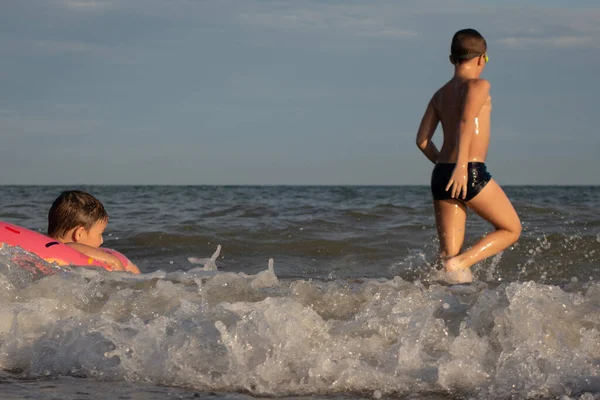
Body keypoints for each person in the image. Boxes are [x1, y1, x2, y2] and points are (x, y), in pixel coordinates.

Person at [415, 28, 521, 283]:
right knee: (511, 229)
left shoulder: (439, 95)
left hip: (442, 174)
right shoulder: (479, 85)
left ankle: (446, 307)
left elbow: (422, 141)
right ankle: (461, 263)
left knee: (446, 256)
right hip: (469, 170)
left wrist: (447, 166)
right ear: (481, 58)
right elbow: (465, 120)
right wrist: (462, 167)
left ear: (452, 59)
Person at [48, 190, 141, 274]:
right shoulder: (67, 247)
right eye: (100, 233)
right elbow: (69, 249)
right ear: (79, 234)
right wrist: (117, 264)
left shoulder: (45, 246)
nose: (101, 241)